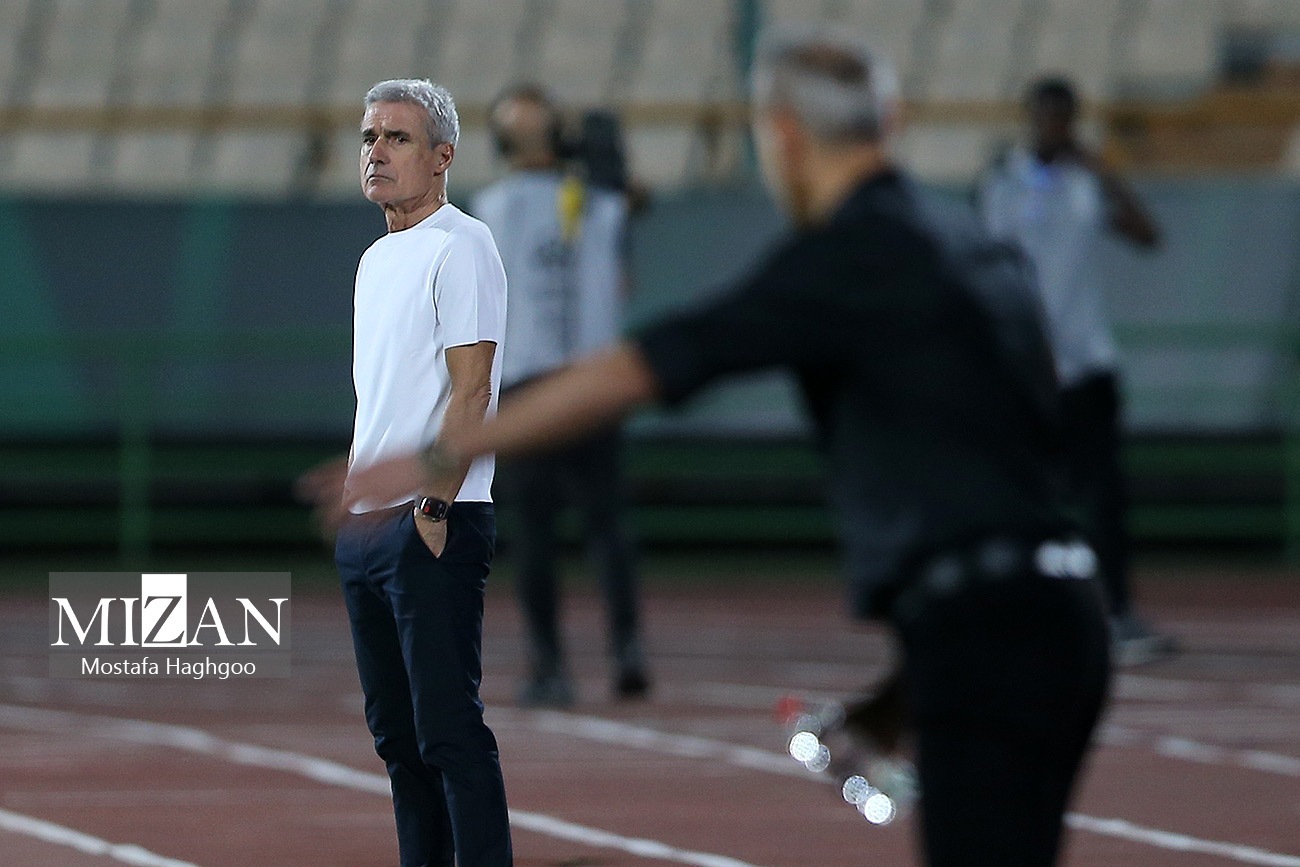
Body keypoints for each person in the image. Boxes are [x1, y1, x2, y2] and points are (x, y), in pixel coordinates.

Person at [344, 28, 1112, 867]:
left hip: (988, 628)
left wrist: (440, 456)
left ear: (783, 134)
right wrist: (902, 692)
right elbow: (1019, 473)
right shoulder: (972, 241)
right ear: (890, 121)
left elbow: (648, 364)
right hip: (1062, 610)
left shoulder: (842, 255)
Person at [301, 78, 512, 866]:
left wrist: (433, 504)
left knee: (448, 732)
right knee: (396, 738)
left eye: (397, 138)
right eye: (369, 138)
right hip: (369, 531)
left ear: (442, 156)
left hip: (433, 519)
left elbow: (472, 389)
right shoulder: (376, 258)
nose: (377, 152)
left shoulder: (463, 245)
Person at [980, 77, 1175, 666]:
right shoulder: (1003, 183)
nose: (1055, 130)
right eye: (1046, 118)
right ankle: (1018, 618)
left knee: (1104, 501)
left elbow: (1148, 236)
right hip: (1026, 370)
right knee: (1019, 500)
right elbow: (984, 262)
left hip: (1088, 364)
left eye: (1064, 119)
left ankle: (1115, 614)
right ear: (1030, 118)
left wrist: (1105, 173)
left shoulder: (1087, 181)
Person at [472, 84, 649, 707]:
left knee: (552, 531)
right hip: (573, 380)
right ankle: (614, 650)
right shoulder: (592, 202)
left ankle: (565, 662)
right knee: (589, 527)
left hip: (549, 383)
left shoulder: (502, 207)